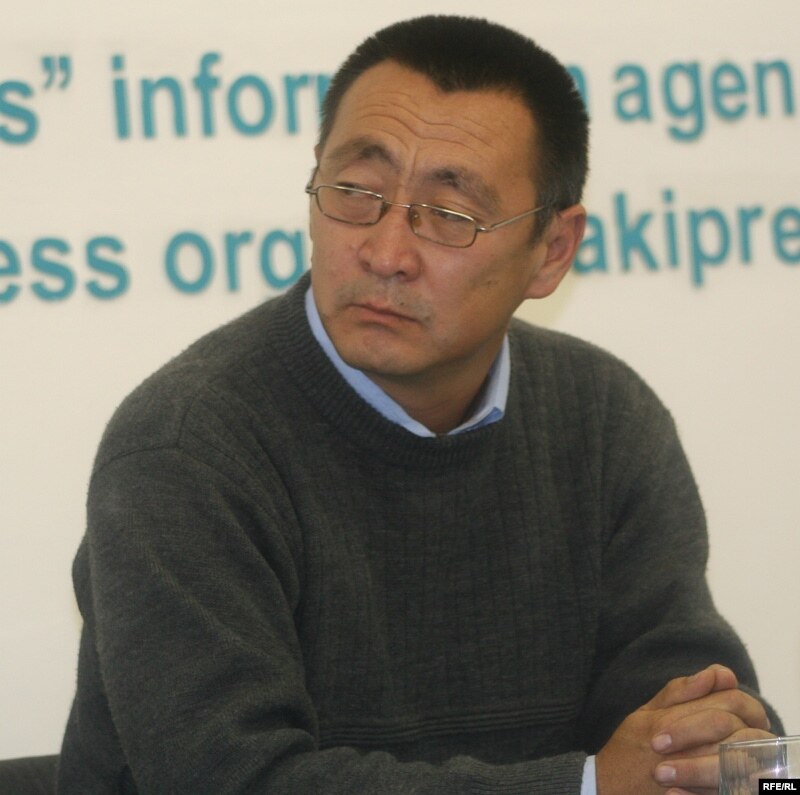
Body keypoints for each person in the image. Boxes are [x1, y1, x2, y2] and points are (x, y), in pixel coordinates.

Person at [57, 14, 779, 795]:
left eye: (450, 216)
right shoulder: (187, 447)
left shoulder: (605, 419)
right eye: (356, 192)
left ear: (552, 250)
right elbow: (233, 779)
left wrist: (729, 753)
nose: (385, 252)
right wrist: (589, 786)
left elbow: (686, 711)